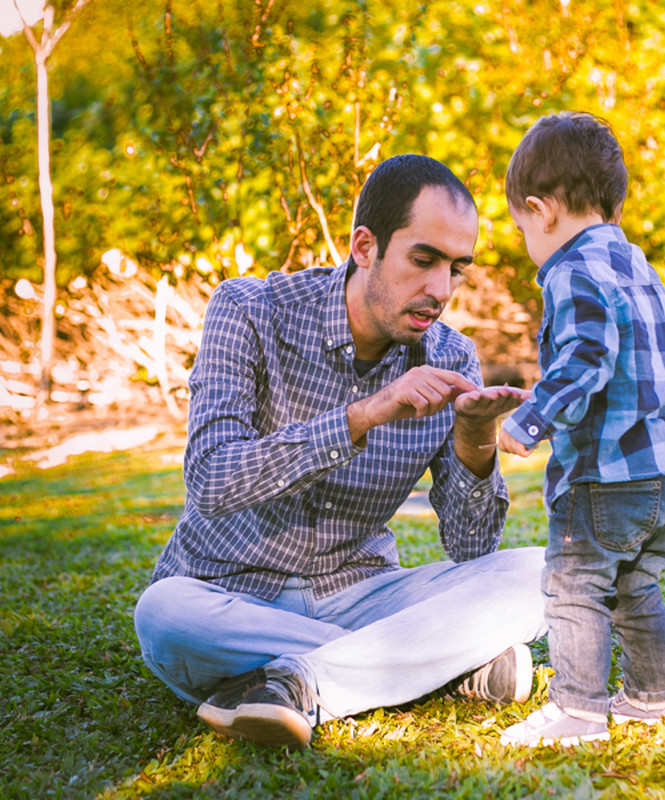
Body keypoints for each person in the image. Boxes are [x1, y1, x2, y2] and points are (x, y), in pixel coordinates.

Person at [133, 154, 548, 750]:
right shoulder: (249, 310)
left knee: (545, 571)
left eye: (457, 269)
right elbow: (212, 478)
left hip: (362, 593)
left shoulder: (452, 357)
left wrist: (476, 440)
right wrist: (364, 415)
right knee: (163, 614)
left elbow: (471, 548)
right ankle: (438, 667)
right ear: (364, 246)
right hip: (228, 596)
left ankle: (299, 680)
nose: (440, 290)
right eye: (424, 260)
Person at [495, 111, 665, 747]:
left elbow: (587, 357)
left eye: (520, 228)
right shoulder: (636, 265)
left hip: (606, 474)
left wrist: (532, 418)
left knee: (573, 586)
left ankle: (578, 710)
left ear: (542, 212)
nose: (526, 241)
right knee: (634, 585)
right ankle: (656, 697)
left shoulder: (572, 270)